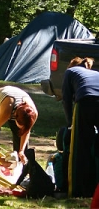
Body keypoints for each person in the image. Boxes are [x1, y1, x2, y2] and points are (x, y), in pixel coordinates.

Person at [62, 57, 99, 197]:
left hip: (86, 101)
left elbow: (66, 99)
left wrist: (70, 124)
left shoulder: (70, 72)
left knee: (81, 146)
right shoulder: (95, 73)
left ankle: (81, 189)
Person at [0, 86, 38, 169]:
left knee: (21, 142)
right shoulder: (6, 113)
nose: (23, 128)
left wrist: (21, 151)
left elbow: (26, 131)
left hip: (16, 103)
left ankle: (21, 172)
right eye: (22, 126)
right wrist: (0, 159)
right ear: (14, 118)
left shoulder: (33, 114)